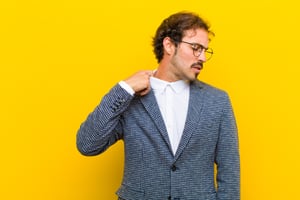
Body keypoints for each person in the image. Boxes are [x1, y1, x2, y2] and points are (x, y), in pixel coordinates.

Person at [76, 11, 240, 200]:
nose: (202, 57)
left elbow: (230, 173)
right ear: (169, 45)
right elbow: (87, 145)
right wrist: (123, 89)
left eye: (205, 50)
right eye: (196, 48)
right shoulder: (130, 98)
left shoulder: (217, 101)